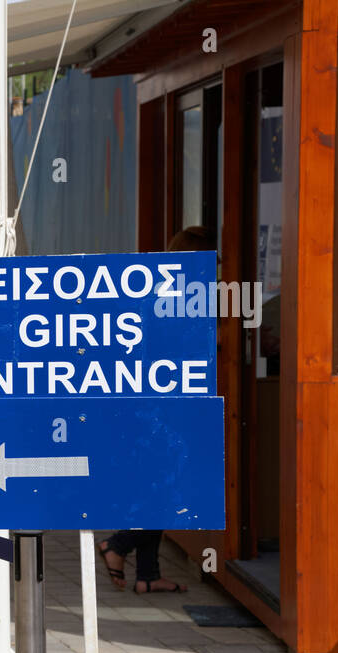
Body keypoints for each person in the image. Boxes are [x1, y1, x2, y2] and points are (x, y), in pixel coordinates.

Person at [98, 225, 216, 594]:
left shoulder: (157, 291)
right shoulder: (179, 299)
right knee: (168, 488)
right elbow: (185, 349)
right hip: (162, 405)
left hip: (146, 402)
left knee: (155, 484)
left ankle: (148, 575)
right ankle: (117, 546)